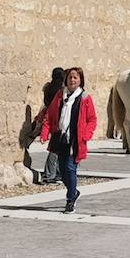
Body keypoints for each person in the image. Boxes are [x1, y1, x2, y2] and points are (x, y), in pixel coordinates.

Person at [39, 67, 95, 212]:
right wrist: (45, 133)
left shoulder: (85, 98)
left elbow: (91, 119)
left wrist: (85, 135)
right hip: (61, 138)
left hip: (75, 140)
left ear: (80, 80)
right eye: (70, 77)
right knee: (63, 172)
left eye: (75, 77)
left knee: (70, 169)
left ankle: (70, 200)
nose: (72, 80)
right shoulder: (60, 95)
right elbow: (50, 116)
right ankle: (74, 191)